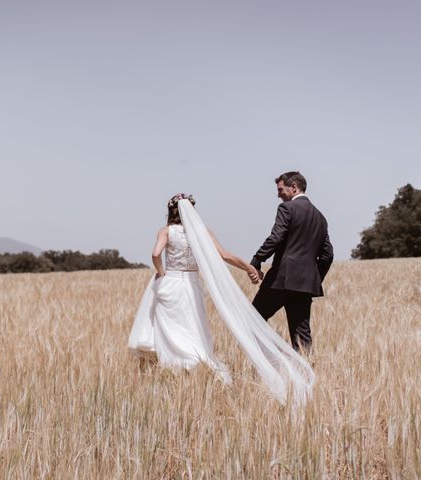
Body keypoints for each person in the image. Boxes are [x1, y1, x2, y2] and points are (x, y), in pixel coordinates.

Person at [129, 193, 315, 405]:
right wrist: (248, 267)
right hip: (191, 286)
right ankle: (195, 366)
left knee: (168, 329)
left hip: (170, 283)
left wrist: (161, 273)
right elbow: (225, 256)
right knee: (192, 328)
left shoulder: (166, 232)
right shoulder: (203, 233)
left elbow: (155, 254)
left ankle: (170, 375)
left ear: (170, 211)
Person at [251, 171, 334, 352]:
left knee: (252, 319)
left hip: (282, 278)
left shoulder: (287, 208)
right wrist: (313, 277)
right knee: (302, 335)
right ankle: (307, 376)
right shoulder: (320, 217)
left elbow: (276, 237)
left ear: (294, 187)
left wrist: (256, 260)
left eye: (281, 189)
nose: (278, 194)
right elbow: (328, 255)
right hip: (305, 285)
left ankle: (271, 361)